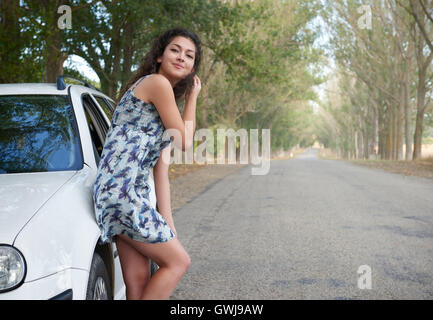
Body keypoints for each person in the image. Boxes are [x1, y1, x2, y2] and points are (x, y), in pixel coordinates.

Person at [93, 27, 202, 300]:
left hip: (121, 193)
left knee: (139, 281)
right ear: (159, 57)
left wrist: (167, 219)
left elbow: (160, 169)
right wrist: (193, 98)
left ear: (192, 68)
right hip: (123, 192)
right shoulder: (157, 83)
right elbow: (185, 141)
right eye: (174, 50)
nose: (181, 57)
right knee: (178, 262)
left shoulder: (162, 104)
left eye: (189, 56)